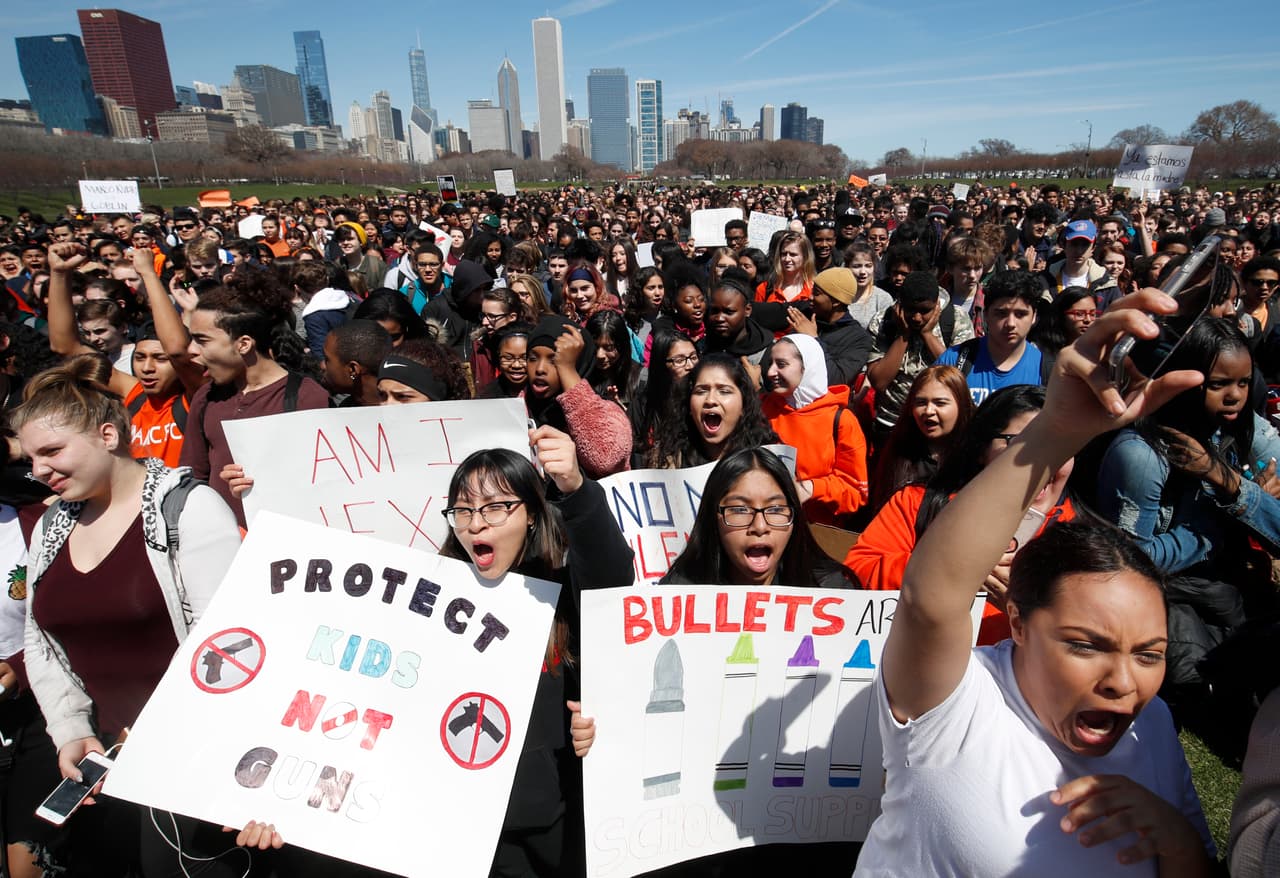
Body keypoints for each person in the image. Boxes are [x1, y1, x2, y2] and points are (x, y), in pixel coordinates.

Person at [854, 287, 1215, 877]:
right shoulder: (960, 707)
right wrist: (1054, 433)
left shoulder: (1152, 728)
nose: (1124, 683)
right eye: (1086, 644)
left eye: (1150, 654)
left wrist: (1176, 844)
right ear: (1019, 621)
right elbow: (928, 597)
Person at [15, 358, 248, 877]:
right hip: (103, 768)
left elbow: (230, 648)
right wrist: (71, 727)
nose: (40, 471)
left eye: (52, 451)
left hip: (193, 766)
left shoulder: (188, 508)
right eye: (32, 459)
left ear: (108, 435)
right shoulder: (53, 522)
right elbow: (42, 639)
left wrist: (174, 742)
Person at [439, 429, 633, 878]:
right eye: (463, 511)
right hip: (465, 823)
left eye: (494, 508)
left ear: (530, 514)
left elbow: (611, 572)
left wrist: (576, 488)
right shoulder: (432, 596)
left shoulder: (562, 592)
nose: (475, 524)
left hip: (553, 825)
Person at [1097, 317, 1280, 698]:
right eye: (1218, 384)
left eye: (1244, 383)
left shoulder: (1247, 428)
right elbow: (1129, 561)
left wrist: (1230, 485)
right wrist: (1218, 525)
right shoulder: (1142, 454)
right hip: (1172, 591)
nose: (1234, 396)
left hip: (1231, 579)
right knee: (1192, 676)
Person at [849, 385, 1078, 644]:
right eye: (1023, 444)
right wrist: (948, 568)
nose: (1043, 460)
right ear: (982, 450)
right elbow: (857, 573)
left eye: (1060, 446)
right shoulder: (918, 503)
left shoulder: (1083, 541)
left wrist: (1030, 614)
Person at [180, 270, 330, 528]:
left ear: (244, 344)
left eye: (201, 340)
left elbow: (326, 486)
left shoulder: (306, 397)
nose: (191, 351)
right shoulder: (206, 397)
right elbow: (191, 478)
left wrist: (264, 484)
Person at [662, 446, 857, 589]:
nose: (760, 526)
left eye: (775, 509)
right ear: (714, 518)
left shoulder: (833, 592)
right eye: (739, 510)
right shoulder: (678, 593)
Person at [763, 334, 868, 526]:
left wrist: (811, 488)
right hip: (766, 525)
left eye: (781, 364)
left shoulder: (841, 420)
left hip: (817, 533)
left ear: (808, 367)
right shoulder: (763, 408)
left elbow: (856, 493)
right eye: (770, 363)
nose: (770, 372)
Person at [866, 270, 974, 443]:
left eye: (925, 311)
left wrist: (928, 335)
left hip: (940, 426)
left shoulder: (956, 320)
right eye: (910, 310)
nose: (916, 318)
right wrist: (904, 336)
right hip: (892, 423)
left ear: (937, 305)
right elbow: (879, 382)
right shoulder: (883, 321)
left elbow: (959, 379)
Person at [524, 315, 631, 478]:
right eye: (532, 358)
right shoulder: (519, 408)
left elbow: (605, 458)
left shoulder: (608, 412)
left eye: (554, 360)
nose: (539, 369)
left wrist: (567, 369)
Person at [868, 364, 973, 514]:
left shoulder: (977, 457)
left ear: (962, 405)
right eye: (921, 403)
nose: (928, 411)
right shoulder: (898, 451)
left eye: (940, 403)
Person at [937, 268, 1048, 404]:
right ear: (986, 314)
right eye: (1001, 313)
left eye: (1020, 314)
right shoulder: (954, 360)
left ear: (1034, 317)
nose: (1010, 324)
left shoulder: (1048, 371)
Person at [647, 354, 777, 469]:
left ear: (743, 406)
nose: (710, 400)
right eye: (701, 391)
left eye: (724, 391)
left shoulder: (766, 461)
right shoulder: (666, 461)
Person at [782, 266, 875, 387]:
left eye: (816, 293)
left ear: (836, 301)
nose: (810, 297)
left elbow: (836, 379)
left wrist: (813, 340)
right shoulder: (807, 316)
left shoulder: (859, 339)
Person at [705, 268, 772, 366]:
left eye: (729, 312)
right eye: (714, 311)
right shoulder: (703, 347)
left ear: (747, 310)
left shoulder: (766, 354)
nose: (719, 318)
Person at [320, 319, 393, 407]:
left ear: (353, 369)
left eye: (327, 359)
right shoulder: (345, 408)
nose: (322, 365)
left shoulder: (405, 412)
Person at [754, 231, 815, 303]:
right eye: (784, 254)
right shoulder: (764, 289)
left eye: (793, 254)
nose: (787, 259)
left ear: (805, 257)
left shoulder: (814, 290)